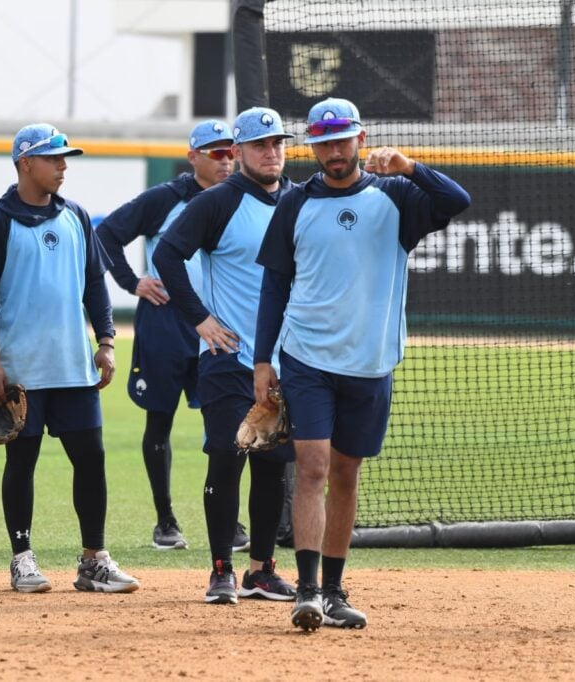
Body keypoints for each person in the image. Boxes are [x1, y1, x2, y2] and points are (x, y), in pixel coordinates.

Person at [254, 97, 471, 630]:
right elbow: (275, 284)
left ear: (360, 138)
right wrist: (262, 360)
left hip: (371, 362)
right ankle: (306, 591)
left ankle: (333, 590)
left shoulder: (397, 198)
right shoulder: (295, 204)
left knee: (347, 475)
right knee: (312, 468)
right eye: (323, 141)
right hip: (307, 357)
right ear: (313, 146)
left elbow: (458, 200)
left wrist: (410, 167)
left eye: (341, 139)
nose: (332, 150)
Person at [0, 123, 140, 594]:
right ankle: (22, 559)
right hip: (21, 369)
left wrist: (105, 342)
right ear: (24, 163)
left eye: (65, 157)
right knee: (22, 463)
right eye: (53, 157)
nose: (62, 165)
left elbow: (95, 283)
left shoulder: (75, 216)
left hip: (73, 367)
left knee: (91, 459)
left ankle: (94, 559)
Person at [152, 107, 298, 605]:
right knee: (227, 459)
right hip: (228, 357)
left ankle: (262, 570)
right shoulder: (219, 202)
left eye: (277, 143)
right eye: (260, 144)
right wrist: (199, 320)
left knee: (273, 465)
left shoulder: (300, 200)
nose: (271, 152)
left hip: (284, 360)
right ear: (237, 152)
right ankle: (221, 571)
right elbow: (167, 254)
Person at [96, 120, 251, 552]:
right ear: (193, 157)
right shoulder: (167, 198)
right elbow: (107, 233)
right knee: (159, 419)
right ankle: (165, 520)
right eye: (216, 153)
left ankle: (231, 521)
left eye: (230, 152)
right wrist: (132, 282)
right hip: (165, 323)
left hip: (219, 324)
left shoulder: (244, 197)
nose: (226, 160)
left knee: (225, 424)